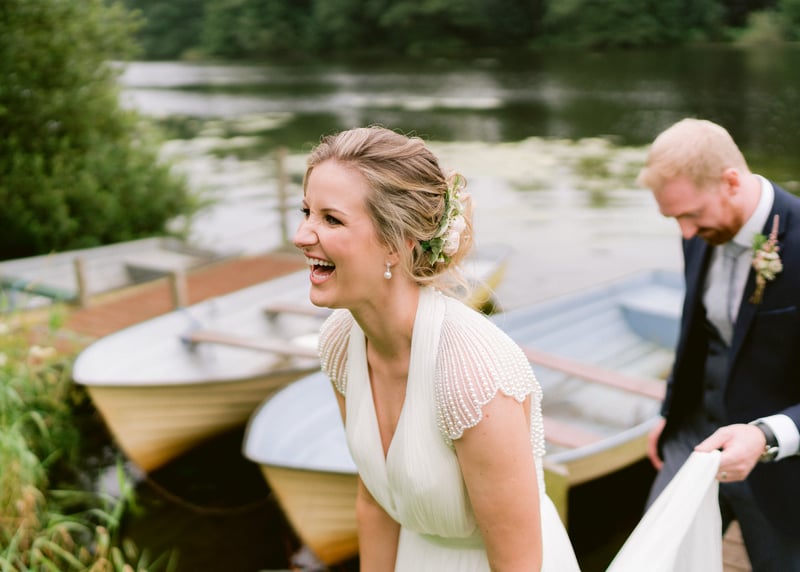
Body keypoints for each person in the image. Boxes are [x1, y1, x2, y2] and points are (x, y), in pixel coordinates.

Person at [293, 126, 580, 571]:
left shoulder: (472, 374)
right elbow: (375, 500)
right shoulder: (339, 341)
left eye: (331, 219)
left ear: (397, 244)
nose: (301, 235)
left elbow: (520, 563)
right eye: (306, 211)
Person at [638, 118, 800, 570]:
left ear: (730, 182)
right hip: (692, 437)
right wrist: (670, 412)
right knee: (654, 558)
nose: (686, 232)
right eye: (674, 219)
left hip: (781, 469)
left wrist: (767, 436)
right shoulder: (700, 232)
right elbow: (696, 331)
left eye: (690, 215)